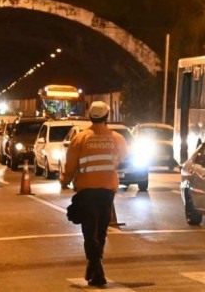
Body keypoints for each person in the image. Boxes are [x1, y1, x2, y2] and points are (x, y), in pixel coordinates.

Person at [60, 101, 128, 286]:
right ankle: (95, 266)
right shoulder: (117, 138)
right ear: (107, 116)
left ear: (90, 116)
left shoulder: (80, 139)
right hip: (107, 192)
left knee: (90, 232)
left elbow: (70, 165)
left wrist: (64, 181)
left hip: (86, 191)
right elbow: (123, 157)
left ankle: (96, 268)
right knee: (101, 231)